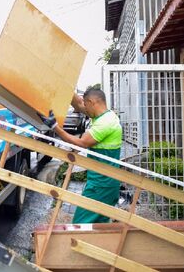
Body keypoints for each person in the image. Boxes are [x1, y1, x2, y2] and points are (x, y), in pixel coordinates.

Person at [39, 88, 122, 223]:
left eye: (86, 105)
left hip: (101, 185)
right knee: (98, 226)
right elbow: (78, 104)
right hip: (103, 183)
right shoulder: (106, 115)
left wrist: (55, 126)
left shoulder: (105, 123)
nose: (84, 110)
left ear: (92, 102)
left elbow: (82, 142)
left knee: (80, 224)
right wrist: (65, 83)